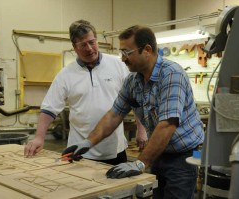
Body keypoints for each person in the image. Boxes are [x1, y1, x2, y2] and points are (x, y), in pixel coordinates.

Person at [61, 25, 204, 199]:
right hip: (159, 152)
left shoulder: (172, 75)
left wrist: (139, 163)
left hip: (184, 157)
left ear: (147, 50)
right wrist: (88, 142)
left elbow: (167, 125)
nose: (122, 59)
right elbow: (114, 115)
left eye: (127, 52)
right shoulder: (133, 81)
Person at [24, 20, 147, 165]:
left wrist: (141, 129)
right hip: (79, 150)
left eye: (92, 42)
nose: (89, 48)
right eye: (83, 45)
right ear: (74, 48)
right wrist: (39, 137)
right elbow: (49, 108)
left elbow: (135, 99)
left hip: (115, 149)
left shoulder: (118, 65)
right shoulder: (65, 74)